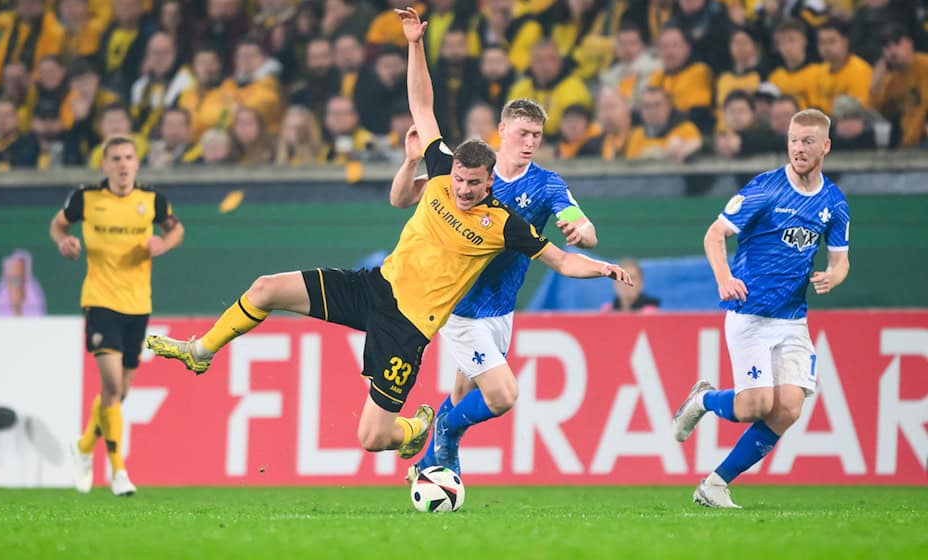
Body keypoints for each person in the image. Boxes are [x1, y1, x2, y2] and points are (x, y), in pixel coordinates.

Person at [144, 6, 631, 466]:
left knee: (373, 437)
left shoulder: (504, 224)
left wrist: (603, 266)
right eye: (458, 179)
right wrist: (415, 45)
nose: (462, 189)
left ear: (489, 185)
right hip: (374, 287)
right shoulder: (439, 171)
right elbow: (422, 104)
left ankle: (417, 430)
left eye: (472, 184)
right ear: (453, 168)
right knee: (266, 288)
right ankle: (201, 352)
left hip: (408, 328)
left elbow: (563, 261)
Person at [388, 8, 602, 479]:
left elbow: (576, 219)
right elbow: (420, 119)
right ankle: (438, 437)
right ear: (502, 131)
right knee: (497, 396)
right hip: (458, 306)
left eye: (537, 136)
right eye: (523, 133)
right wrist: (415, 45)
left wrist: (582, 231)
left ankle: (427, 464)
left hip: (501, 309)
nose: (530, 142)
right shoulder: (467, 172)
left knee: (466, 393)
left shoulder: (546, 185)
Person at [672, 108, 851, 508]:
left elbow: (841, 260)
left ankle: (715, 484)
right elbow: (715, 234)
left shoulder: (833, 203)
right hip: (750, 314)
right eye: (793, 140)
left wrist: (832, 277)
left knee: (787, 409)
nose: (799, 148)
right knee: (755, 405)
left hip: (793, 319)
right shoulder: (765, 189)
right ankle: (702, 400)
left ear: (826, 146)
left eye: (808, 141)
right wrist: (723, 279)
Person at [51, 135, 185, 496]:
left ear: (137, 164)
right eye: (116, 158)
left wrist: (162, 245)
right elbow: (58, 224)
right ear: (105, 164)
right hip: (100, 300)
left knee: (119, 392)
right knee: (111, 384)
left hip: (138, 304)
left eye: (129, 158)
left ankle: (82, 449)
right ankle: (117, 470)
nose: (123, 164)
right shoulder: (87, 199)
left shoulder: (152, 200)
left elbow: (176, 230)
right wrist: (64, 242)